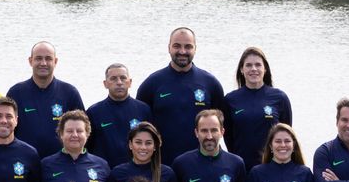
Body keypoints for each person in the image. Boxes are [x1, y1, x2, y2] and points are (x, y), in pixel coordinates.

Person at [137, 27, 226, 165]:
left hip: (200, 164)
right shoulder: (151, 84)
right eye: (177, 46)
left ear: (195, 48)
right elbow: (141, 129)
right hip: (162, 165)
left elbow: (221, 128)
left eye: (188, 46)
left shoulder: (210, 84)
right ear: (169, 48)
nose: (182, 51)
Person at [5, 41, 85, 158]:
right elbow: (7, 129)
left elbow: (83, 131)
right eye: (38, 58)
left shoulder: (69, 93)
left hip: (61, 164)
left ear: (55, 61)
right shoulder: (16, 93)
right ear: (30, 61)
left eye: (48, 58)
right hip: (23, 163)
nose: (43, 63)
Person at [223, 47, 292, 164]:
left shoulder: (280, 98)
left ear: (265, 69)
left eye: (258, 65)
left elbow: (286, 136)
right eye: (248, 65)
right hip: (242, 167)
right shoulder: (230, 100)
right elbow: (228, 137)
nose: (253, 69)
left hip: (270, 166)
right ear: (241, 69)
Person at [86, 64, 153, 166]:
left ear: (130, 82)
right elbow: (87, 146)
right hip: (104, 172)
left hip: (135, 171)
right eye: (113, 79)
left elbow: (151, 143)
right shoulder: (93, 112)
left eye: (123, 78)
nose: (119, 82)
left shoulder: (143, 109)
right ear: (105, 84)